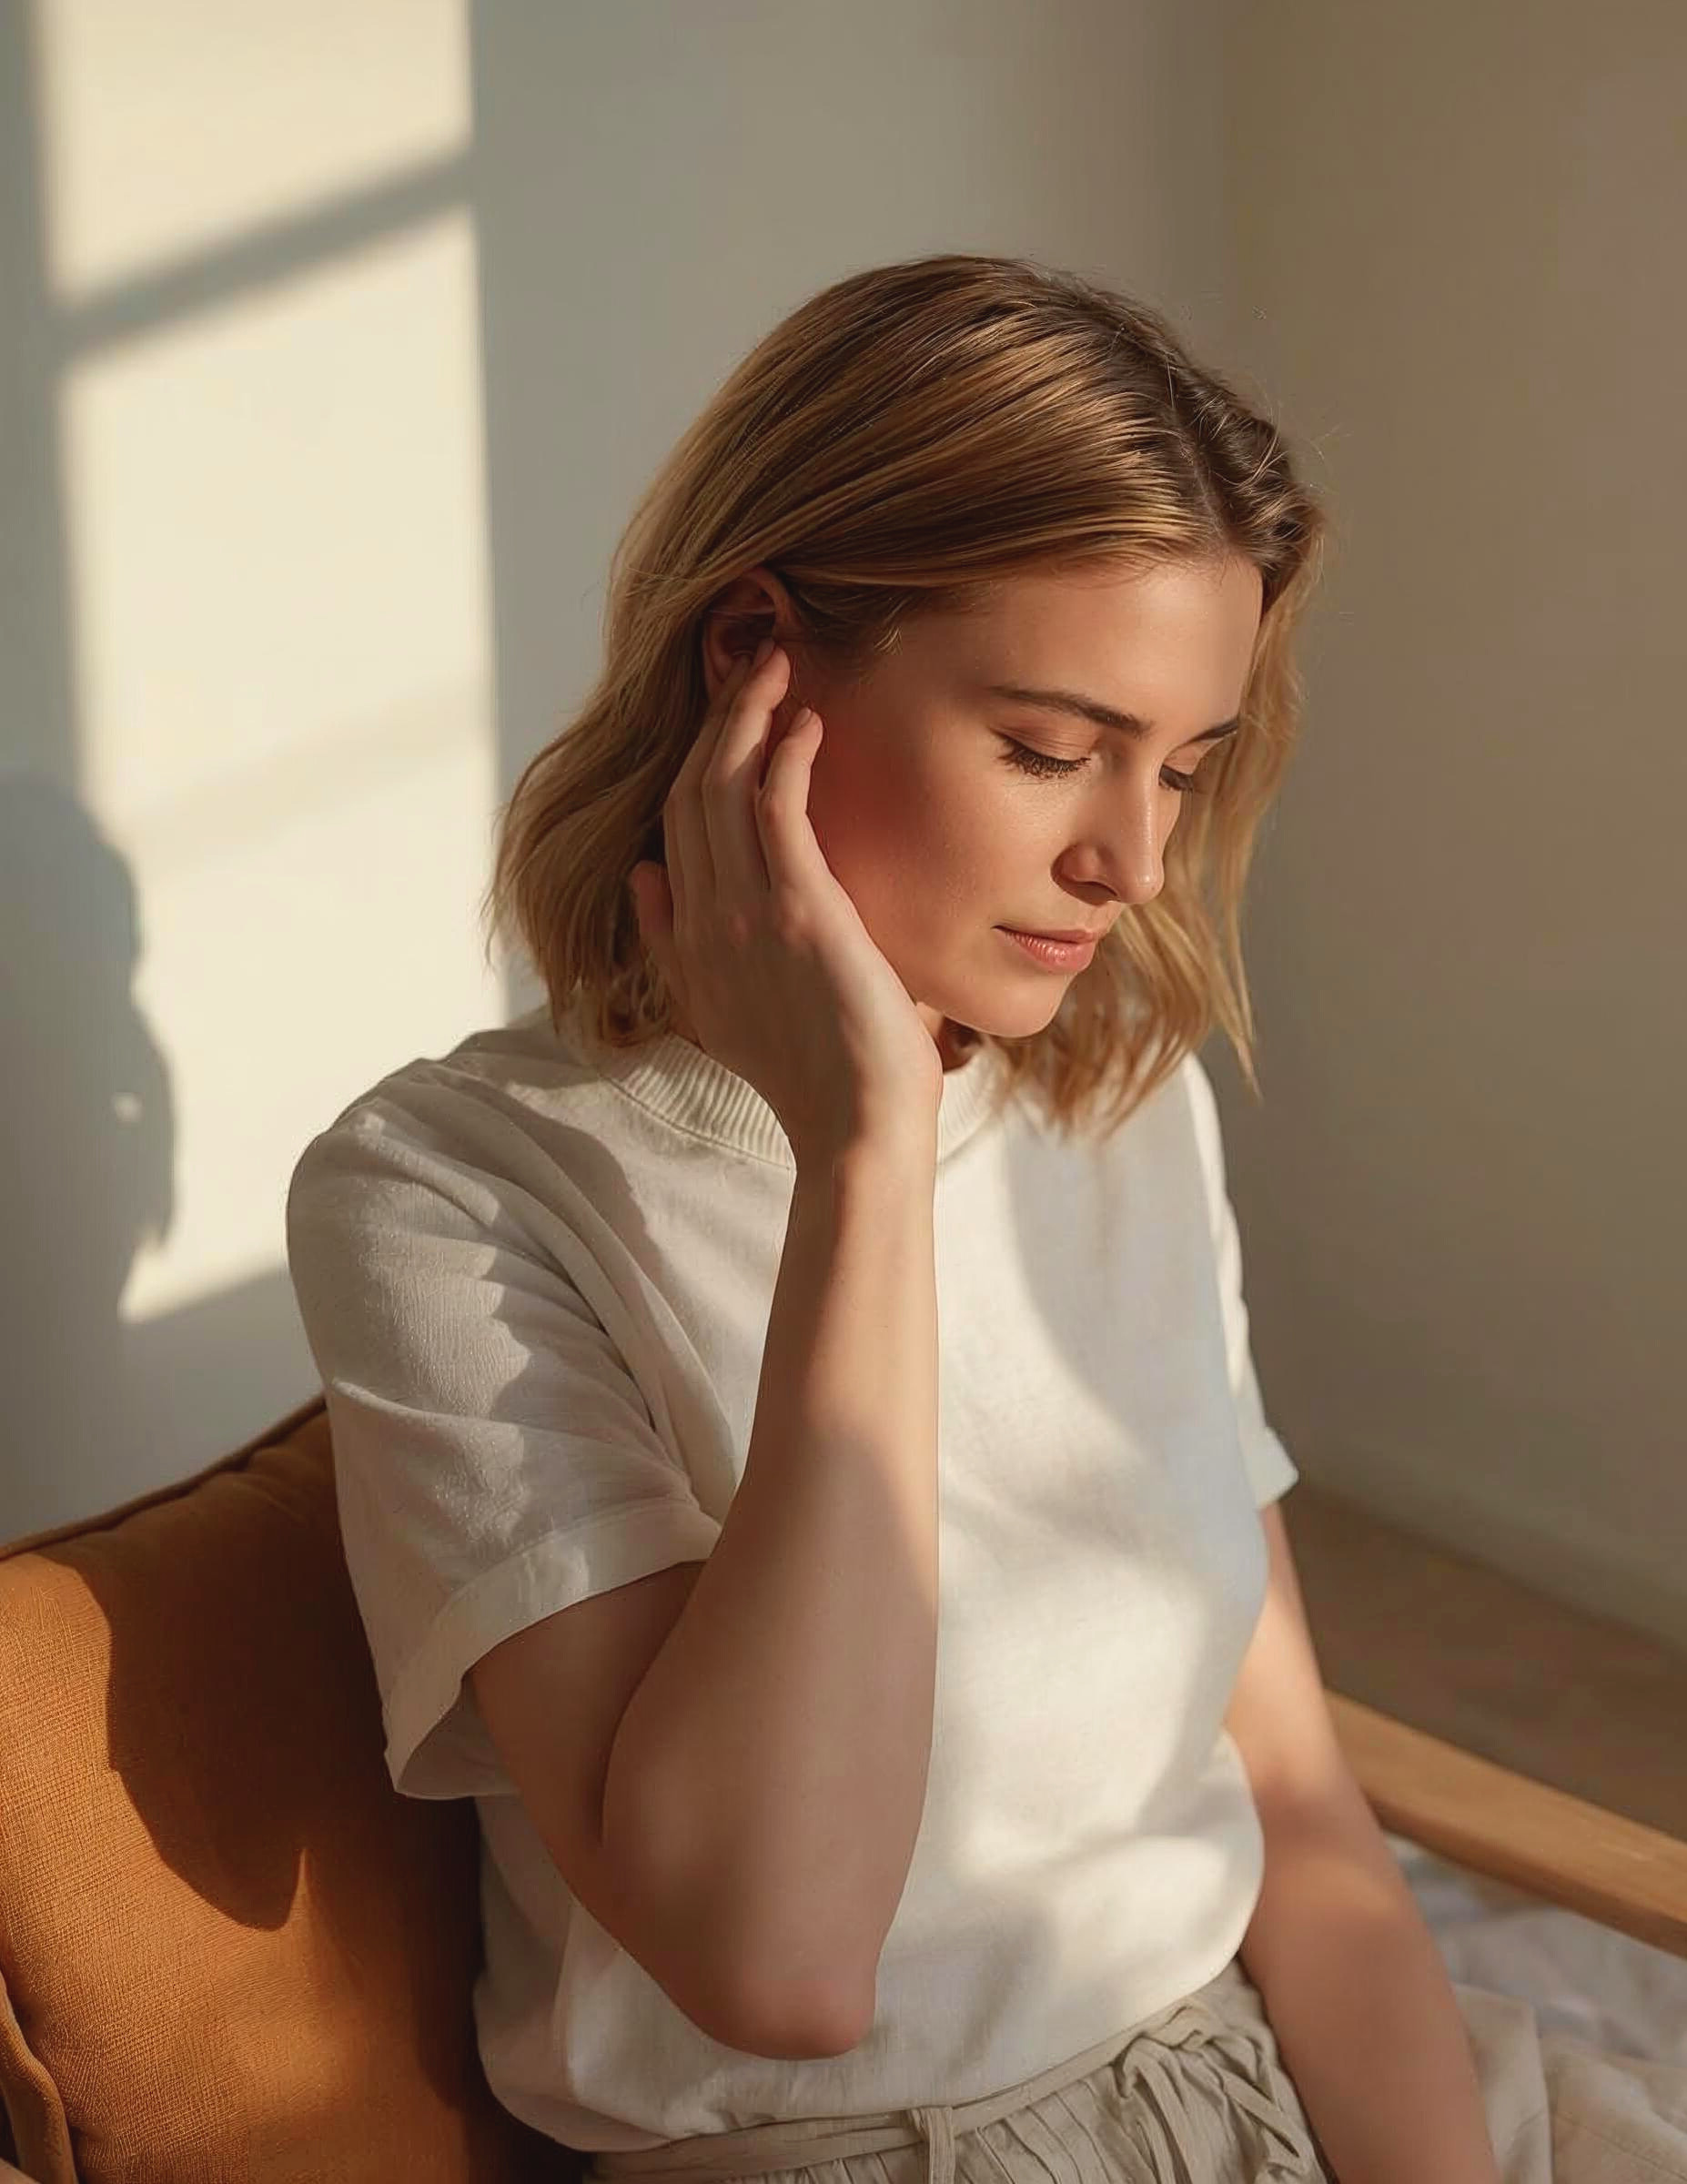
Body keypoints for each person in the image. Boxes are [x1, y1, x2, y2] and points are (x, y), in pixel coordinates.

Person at [285, 252, 1501, 2184]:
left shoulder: (1120, 1105)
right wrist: (864, 1155)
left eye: (1182, 768)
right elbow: (777, 1959)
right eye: (1050, 750)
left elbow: (1295, 1802)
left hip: (1244, 2092)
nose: (1132, 861)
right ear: (753, 662)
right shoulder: (446, 1200)